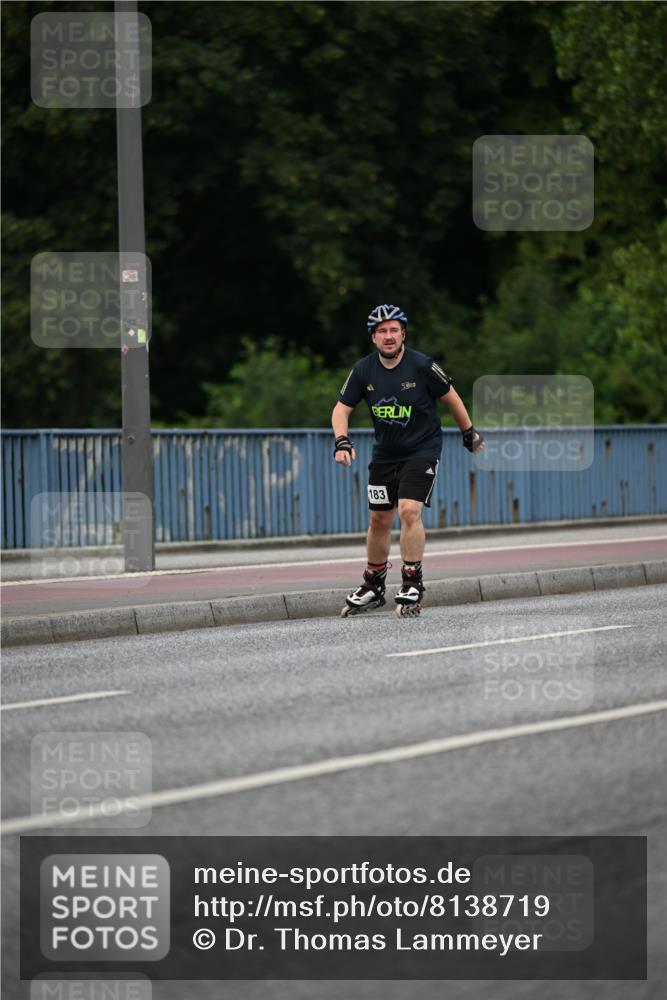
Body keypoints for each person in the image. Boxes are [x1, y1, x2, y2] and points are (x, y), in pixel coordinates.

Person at [332, 303, 484, 617]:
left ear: (403, 334)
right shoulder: (363, 370)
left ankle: (412, 581)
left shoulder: (422, 366)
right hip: (385, 455)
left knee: (409, 510)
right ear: (373, 337)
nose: (388, 336)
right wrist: (342, 441)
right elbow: (341, 409)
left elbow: (451, 397)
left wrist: (469, 433)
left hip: (422, 450)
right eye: (381, 331)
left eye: (394, 330)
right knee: (379, 519)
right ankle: (373, 584)